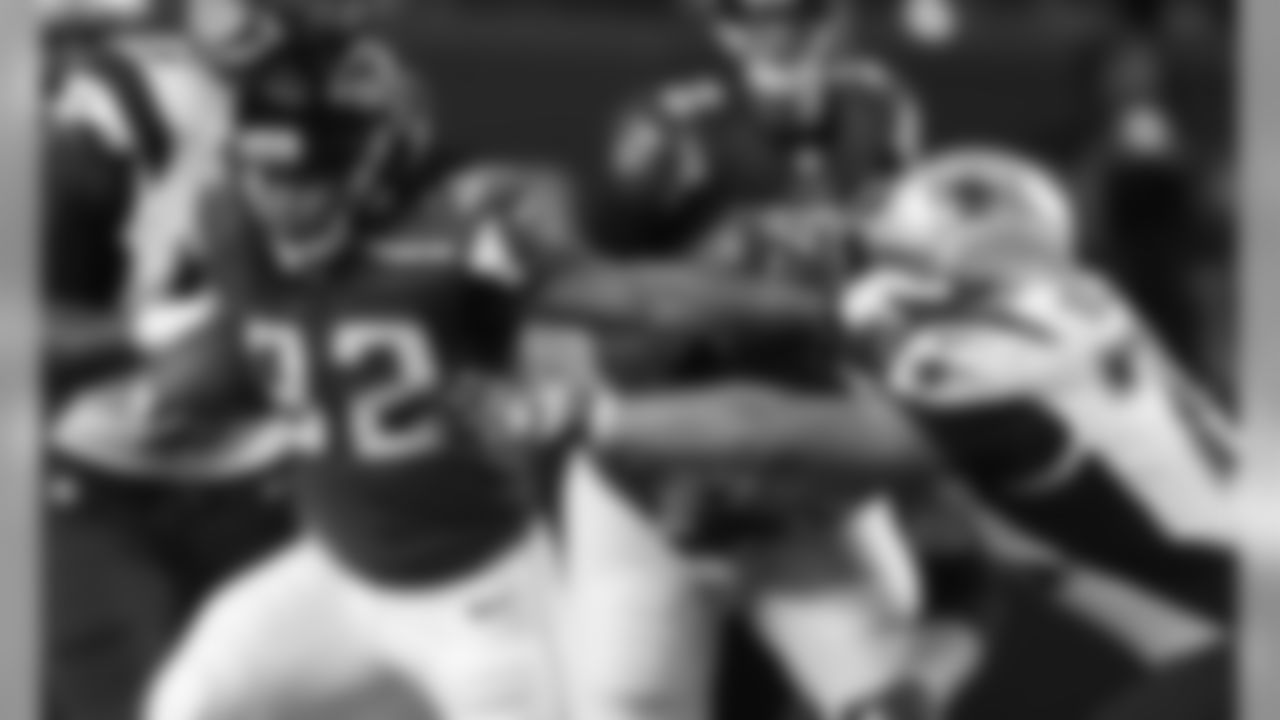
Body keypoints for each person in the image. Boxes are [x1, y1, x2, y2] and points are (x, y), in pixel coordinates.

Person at [838, 147, 1234, 720]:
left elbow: (757, 433)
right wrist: (918, 687)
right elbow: (961, 591)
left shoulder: (999, 370)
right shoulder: (1052, 329)